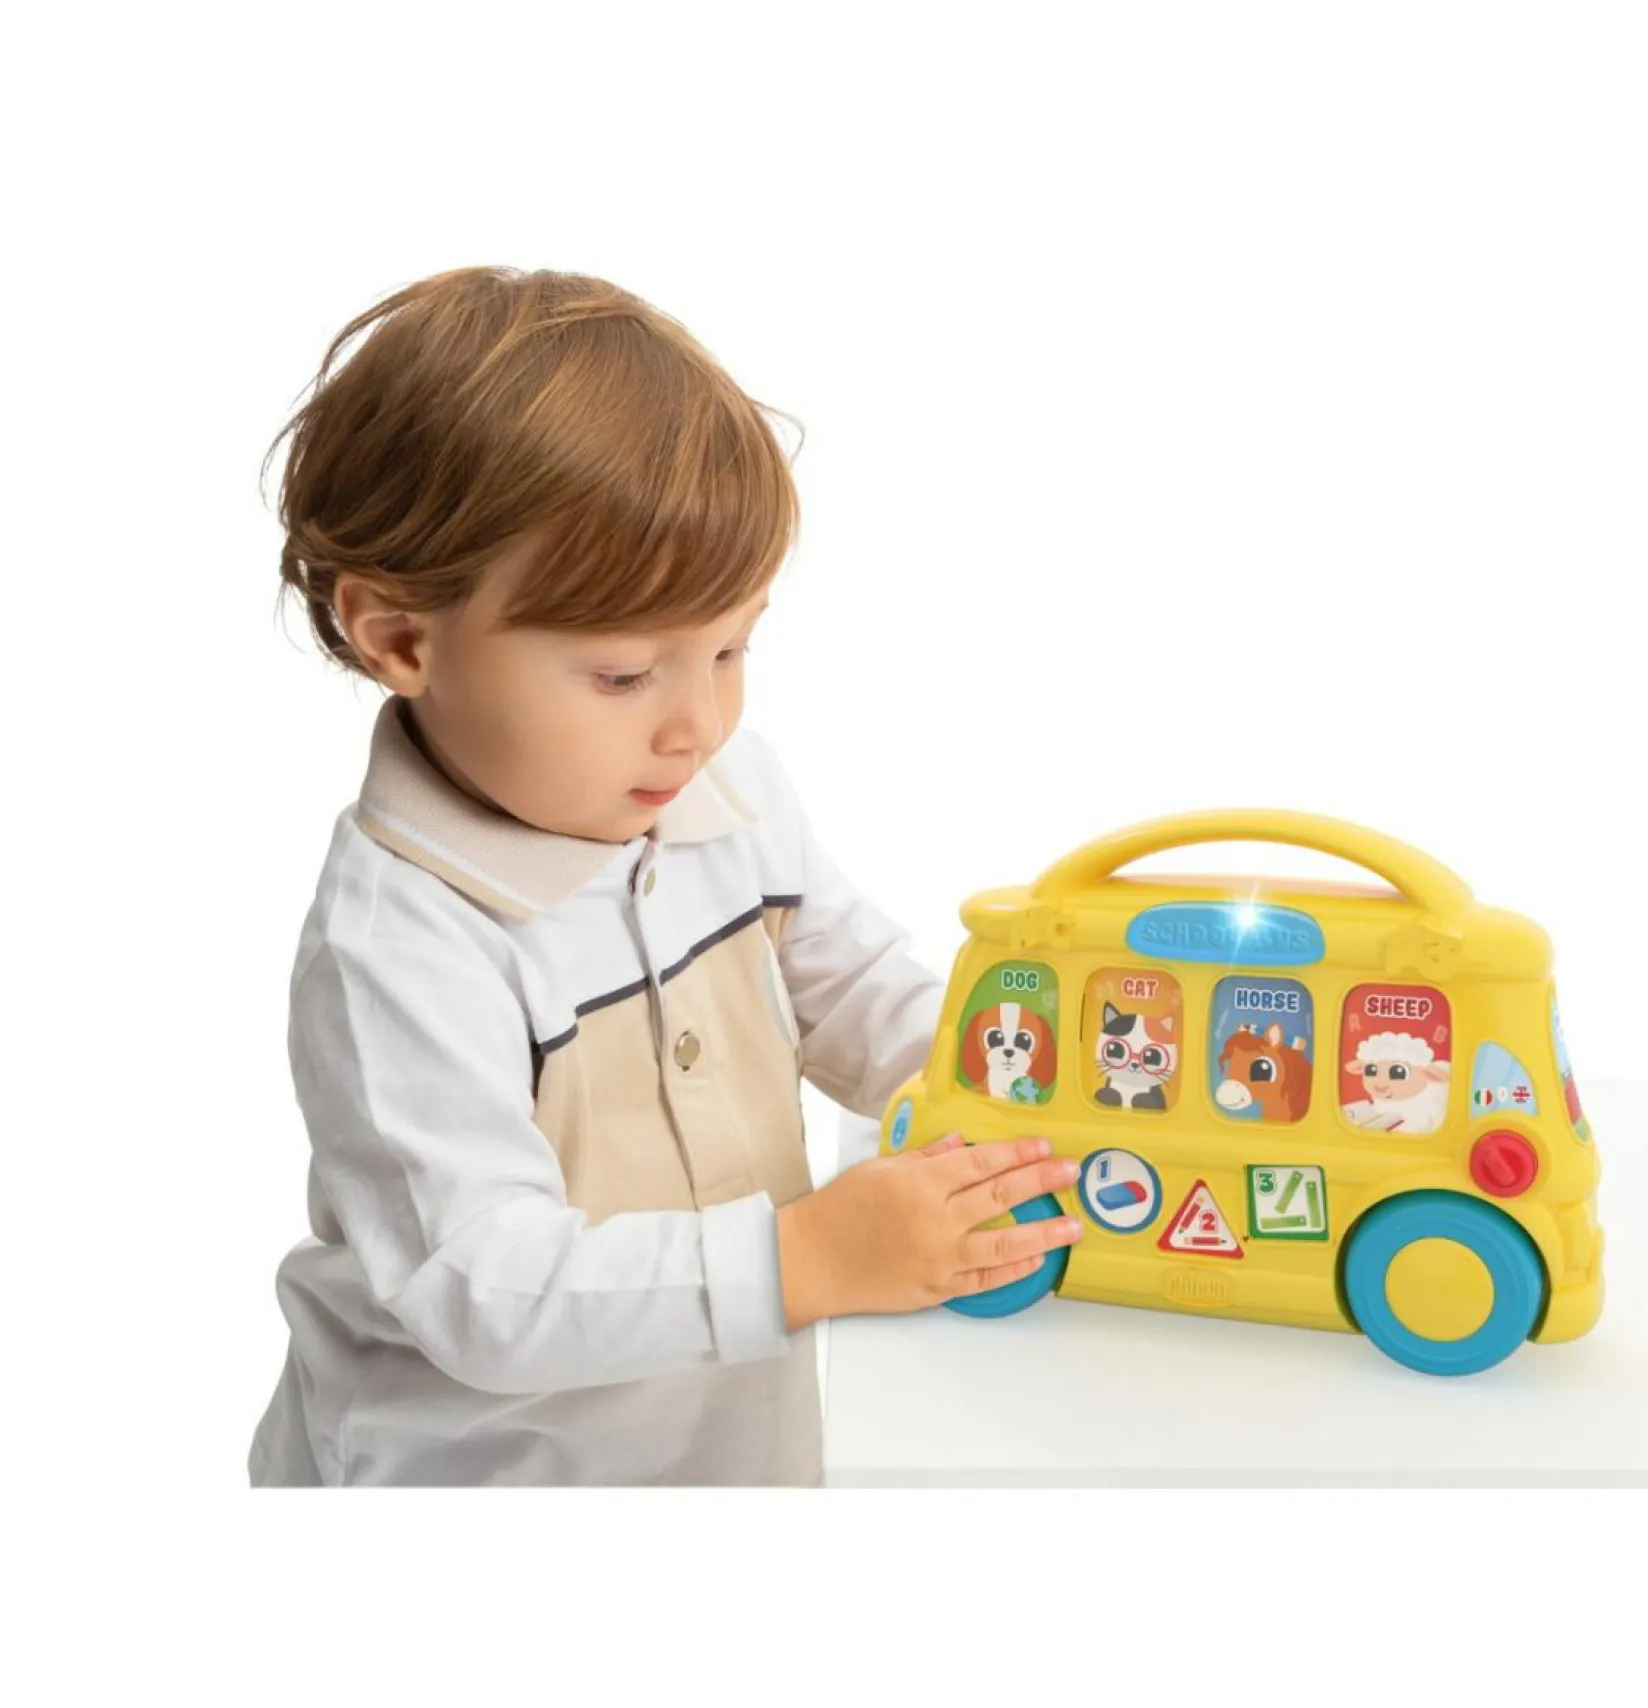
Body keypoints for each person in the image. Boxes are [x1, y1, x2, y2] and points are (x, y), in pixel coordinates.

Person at [247, 266, 1082, 1485]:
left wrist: (1022, 1092)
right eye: (626, 674)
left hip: (727, 1455)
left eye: (732, 647)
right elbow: (481, 1283)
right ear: (401, 638)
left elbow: (851, 990)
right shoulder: (399, 944)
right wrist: (806, 1257)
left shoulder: (722, 789)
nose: (697, 723)